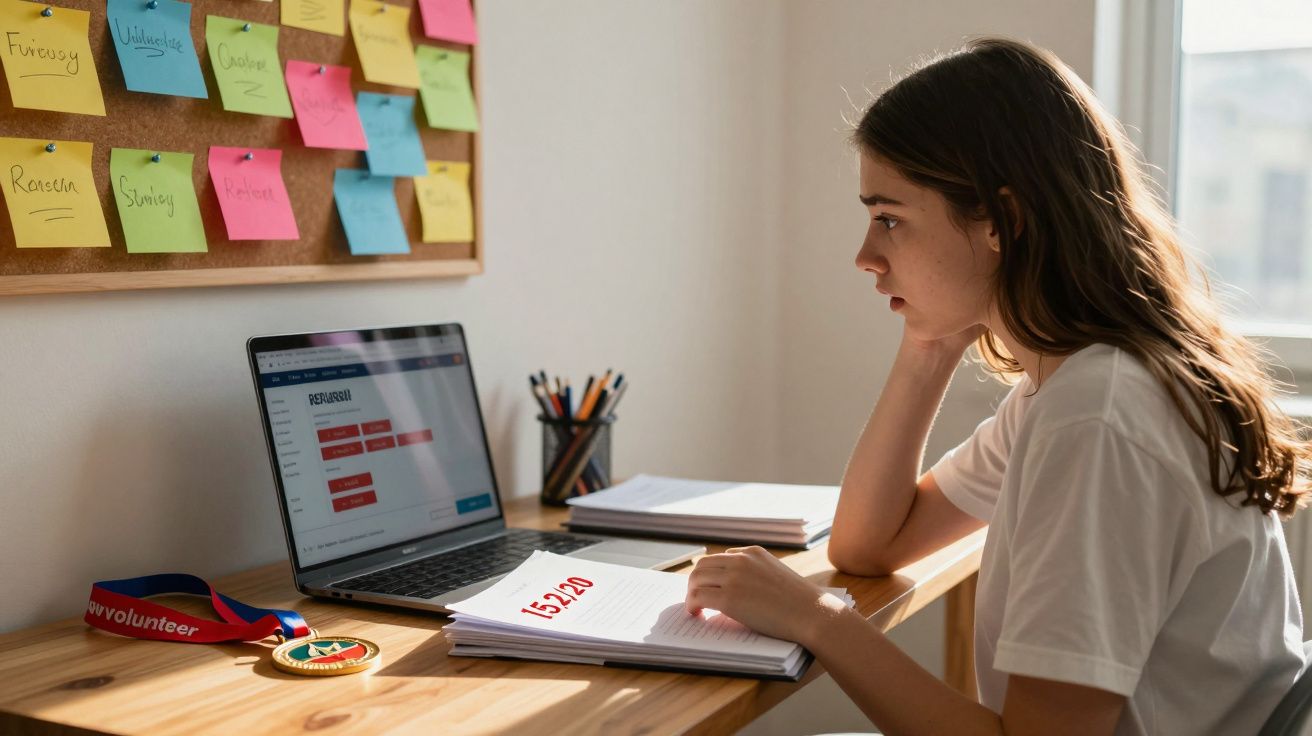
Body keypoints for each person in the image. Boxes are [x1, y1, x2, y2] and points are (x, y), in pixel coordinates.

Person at [684, 37, 1311, 735]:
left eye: (889, 218)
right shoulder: (1073, 386)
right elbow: (867, 545)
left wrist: (816, 619)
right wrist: (928, 346)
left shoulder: (1097, 416)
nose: (865, 257)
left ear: (1002, 222)